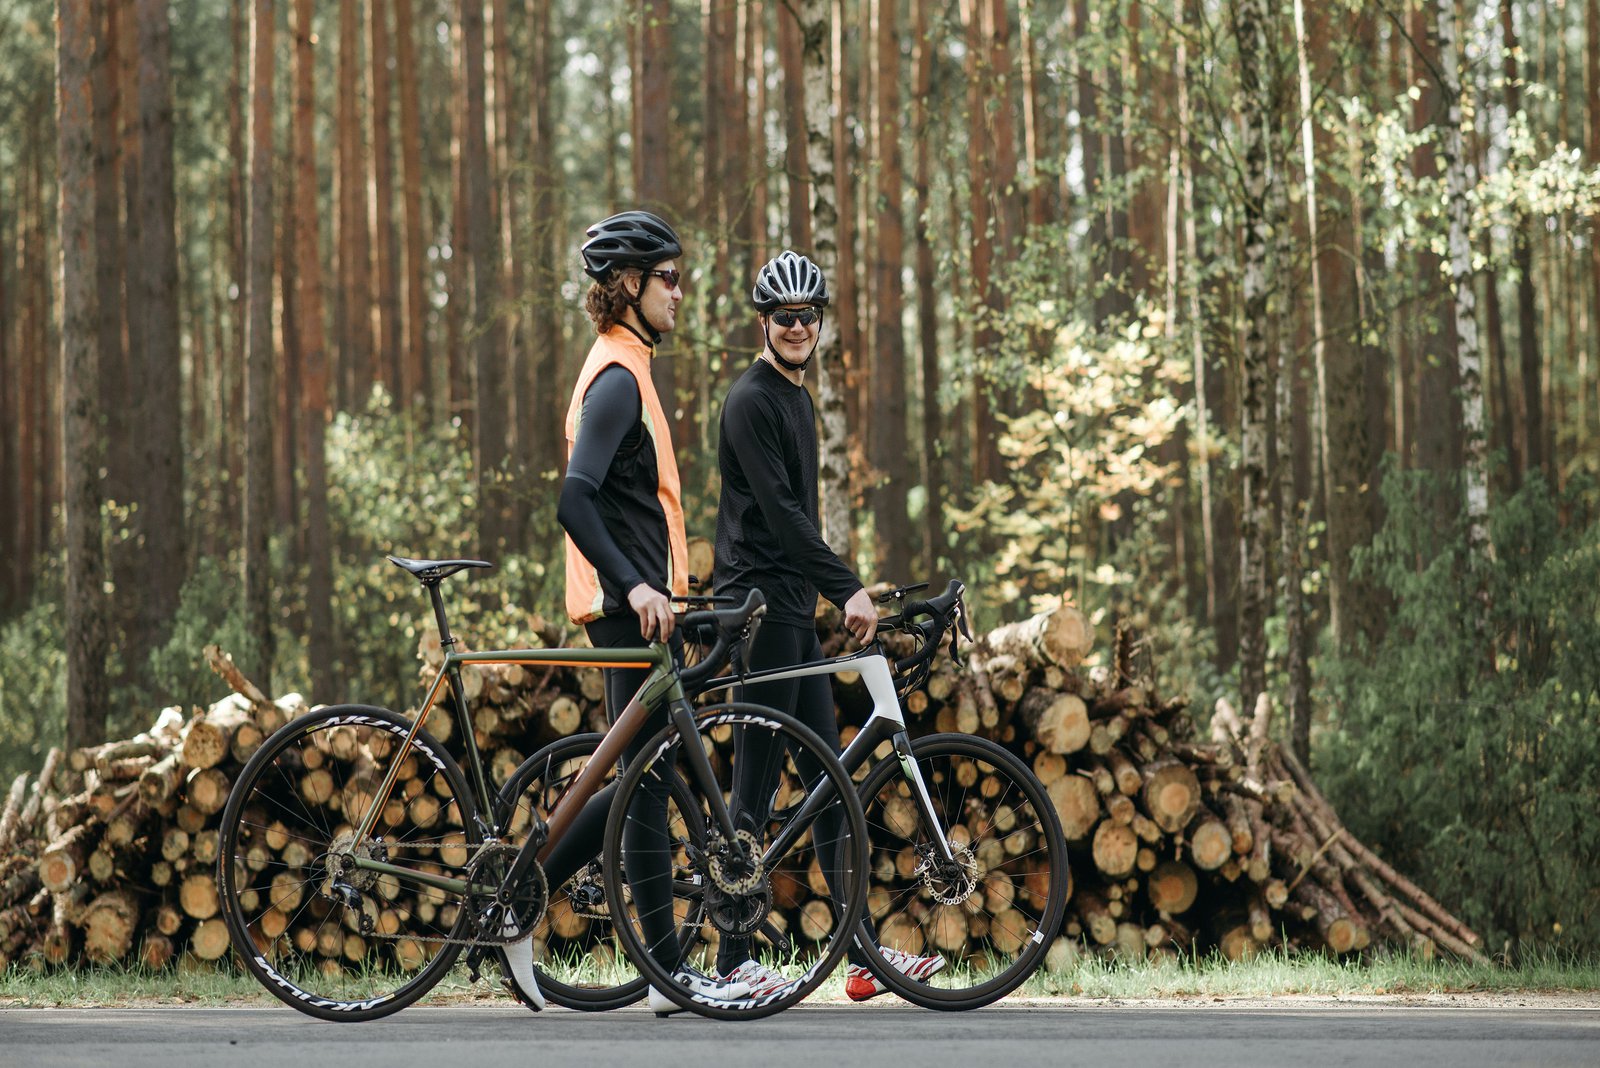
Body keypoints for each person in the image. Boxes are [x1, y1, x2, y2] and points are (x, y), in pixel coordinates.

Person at [500, 209, 751, 1016]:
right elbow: (574, 500)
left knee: (648, 780)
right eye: (669, 278)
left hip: (645, 611)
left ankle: (539, 897)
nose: (683, 291)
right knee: (647, 784)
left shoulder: (629, 367)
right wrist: (638, 588)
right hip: (626, 613)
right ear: (629, 286)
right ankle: (659, 966)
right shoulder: (615, 377)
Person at [711, 250, 945, 1000]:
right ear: (763, 322)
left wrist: (828, 593)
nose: (796, 326)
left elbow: (796, 519)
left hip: (791, 613)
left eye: (808, 315)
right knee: (754, 784)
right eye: (783, 316)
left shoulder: (796, 398)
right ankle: (730, 961)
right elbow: (781, 520)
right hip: (757, 611)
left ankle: (862, 958)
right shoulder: (750, 401)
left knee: (829, 781)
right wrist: (848, 586)